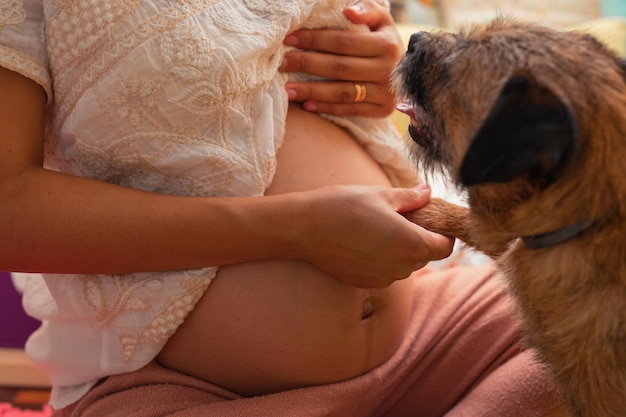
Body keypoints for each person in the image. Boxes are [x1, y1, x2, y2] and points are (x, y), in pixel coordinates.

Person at [1, 0, 563, 416]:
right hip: (188, 388)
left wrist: (382, 78)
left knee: (601, 317)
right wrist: (295, 232)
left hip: (428, 336)